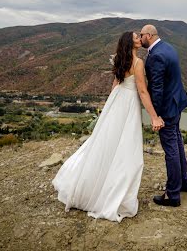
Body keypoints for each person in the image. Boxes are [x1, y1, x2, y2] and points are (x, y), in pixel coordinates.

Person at [52, 31, 164, 222]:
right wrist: (154, 116)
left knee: (105, 143)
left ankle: (92, 185)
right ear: (131, 43)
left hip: (116, 101)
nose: (139, 39)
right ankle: (111, 193)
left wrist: (108, 109)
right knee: (126, 148)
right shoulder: (138, 63)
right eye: (136, 37)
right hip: (128, 104)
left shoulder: (120, 60)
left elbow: (115, 85)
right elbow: (143, 91)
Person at [140, 24, 187, 207]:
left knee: (171, 149)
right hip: (177, 103)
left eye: (141, 35)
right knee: (177, 142)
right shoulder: (168, 47)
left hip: (167, 109)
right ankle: (184, 182)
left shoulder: (156, 56)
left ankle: (172, 195)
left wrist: (156, 115)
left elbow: (157, 88)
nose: (139, 38)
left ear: (148, 35)